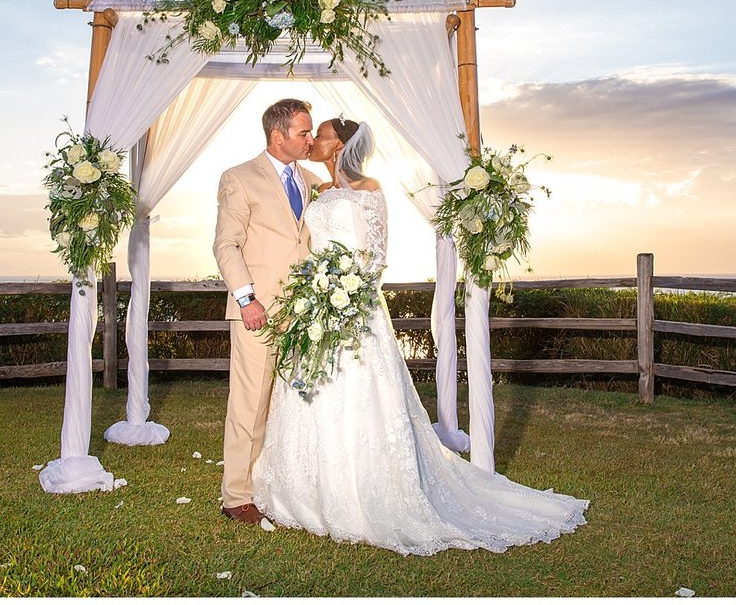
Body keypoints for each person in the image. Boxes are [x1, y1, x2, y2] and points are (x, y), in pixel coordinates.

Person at [251, 117, 589, 555]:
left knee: (360, 398)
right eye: (311, 134)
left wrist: (344, 294)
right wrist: (317, 292)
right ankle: (307, 489)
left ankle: (368, 491)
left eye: (323, 134)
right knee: (313, 394)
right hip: (318, 305)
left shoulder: (370, 190)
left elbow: (375, 256)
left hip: (355, 307)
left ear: (340, 145)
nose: (314, 139)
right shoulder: (318, 190)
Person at [212, 98, 324, 525]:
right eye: (303, 132)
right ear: (278, 136)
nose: (310, 139)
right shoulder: (239, 178)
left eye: (311, 132)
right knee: (250, 402)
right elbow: (227, 244)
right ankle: (236, 495)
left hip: (306, 314)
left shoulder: (313, 181)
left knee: (292, 403)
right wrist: (246, 299)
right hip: (258, 310)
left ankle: (278, 483)